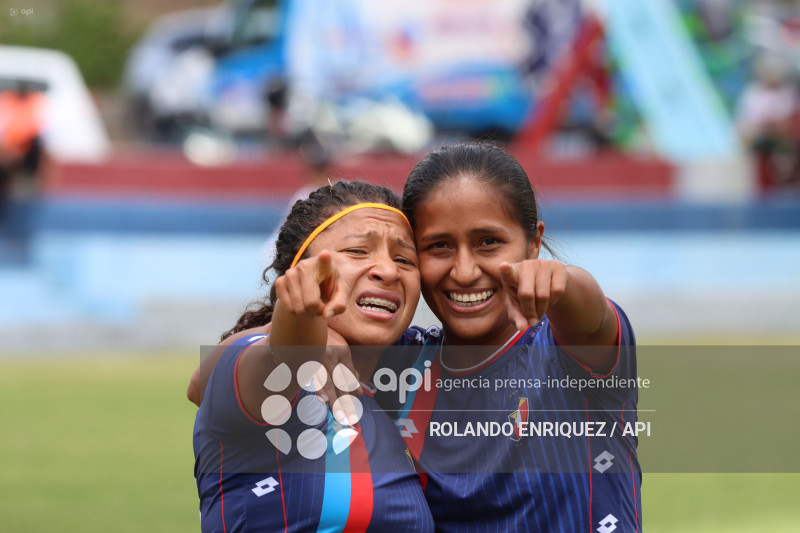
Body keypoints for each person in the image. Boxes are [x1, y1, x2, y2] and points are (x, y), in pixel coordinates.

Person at [378, 141, 641, 531]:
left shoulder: (567, 353)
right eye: (439, 246)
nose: (464, 271)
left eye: (488, 242)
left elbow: (592, 318)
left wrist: (564, 281)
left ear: (534, 242)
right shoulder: (398, 364)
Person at [192, 180, 434, 532]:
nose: (388, 270)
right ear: (298, 270)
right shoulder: (274, 375)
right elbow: (250, 366)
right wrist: (307, 324)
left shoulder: (404, 379)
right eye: (357, 251)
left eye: (404, 259)